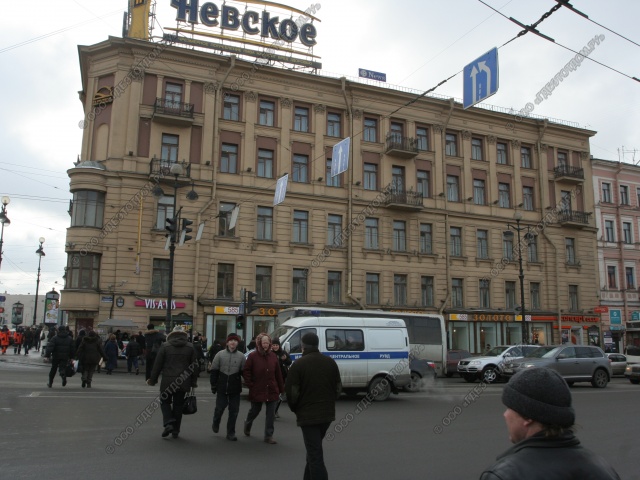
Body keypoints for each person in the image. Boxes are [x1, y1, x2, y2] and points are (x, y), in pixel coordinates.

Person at [478, 367, 621, 480]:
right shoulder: (602, 468)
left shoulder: (504, 475)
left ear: (528, 416)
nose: (505, 414)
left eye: (509, 408)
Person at [285, 332, 342, 480]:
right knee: (313, 450)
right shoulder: (330, 362)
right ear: (317, 345)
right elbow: (338, 389)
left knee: (315, 454)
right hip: (327, 415)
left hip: (308, 416)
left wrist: (296, 409)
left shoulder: (298, 365)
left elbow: (291, 393)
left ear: (303, 347)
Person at [147, 326, 199, 439]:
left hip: (167, 380)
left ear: (171, 335)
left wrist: (153, 380)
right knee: (178, 406)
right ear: (184, 335)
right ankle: (176, 430)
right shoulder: (190, 347)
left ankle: (168, 422)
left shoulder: (165, 346)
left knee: (164, 401)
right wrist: (193, 382)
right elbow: (194, 367)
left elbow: (157, 365)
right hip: (183, 381)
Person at [242, 333, 284, 444]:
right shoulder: (253, 356)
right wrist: (250, 384)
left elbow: (278, 374)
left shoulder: (273, 356)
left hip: (271, 389)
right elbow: (246, 371)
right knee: (255, 410)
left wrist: (281, 388)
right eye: (263, 343)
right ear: (259, 343)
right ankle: (248, 423)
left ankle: (268, 436)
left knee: (270, 414)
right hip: (258, 388)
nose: (266, 345)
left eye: (267, 343)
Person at [210, 332, 246, 441]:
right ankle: (216, 422)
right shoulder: (220, 355)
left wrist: (248, 382)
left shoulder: (241, 356)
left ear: (237, 343)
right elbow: (214, 371)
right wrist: (213, 385)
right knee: (219, 408)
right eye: (231, 340)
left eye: (235, 341)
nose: (233, 342)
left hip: (235, 388)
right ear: (227, 342)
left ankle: (231, 433)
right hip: (222, 386)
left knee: (234, 411)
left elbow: (244, 372)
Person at [271, 339, 291, 419]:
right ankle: (272, 411)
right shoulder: (270, 353)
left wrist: (285, 359)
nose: (275, 347)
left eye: (276, 345)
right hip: (272, 377)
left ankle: (275, 410)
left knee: (280, 395)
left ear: (279, 346)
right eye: (273, 345)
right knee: (274, 394)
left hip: (282, 377)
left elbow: (289, 362)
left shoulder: (283, 353)